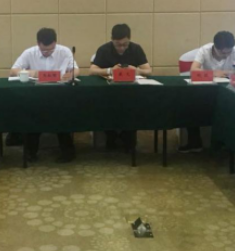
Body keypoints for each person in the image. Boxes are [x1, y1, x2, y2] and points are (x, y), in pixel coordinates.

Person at [9, 28, 77, 163]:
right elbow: (13, 71)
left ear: (55, 43)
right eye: (44, 50)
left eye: (51, 50)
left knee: (63, 116)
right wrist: (31, 73)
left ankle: (67, 152)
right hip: (36, 97)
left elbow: (75, 69)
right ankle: (30, 152)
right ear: (38, 43)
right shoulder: (29, 53)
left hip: (59, 96)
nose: (47, 53)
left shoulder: (64, 51)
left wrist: (71, 75)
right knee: (33, 116)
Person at [181, 31, 235, 153]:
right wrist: (214, 73)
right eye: (223, 53)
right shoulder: (205, 50)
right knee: (189, 106)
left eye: (228, 52)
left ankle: (223, 144)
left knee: (232, 108)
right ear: (215, 47)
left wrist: (228, 72)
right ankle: (195, 142)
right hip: (207, 89)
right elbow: (193, 70)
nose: (226, 55)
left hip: (227, 90)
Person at [90, 24, 152, 152]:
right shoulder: (104, 49)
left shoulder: (136, 48)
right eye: (118, 44)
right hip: (108, 92)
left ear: (129, 40)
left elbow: (148, 71)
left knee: (133, 109)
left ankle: (127, 136)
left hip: (131, 92)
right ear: (112, 40)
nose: (122, 48)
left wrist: (137, 70)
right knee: (103, 108)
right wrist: (109, 70)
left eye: (125, 44)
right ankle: (111, 136)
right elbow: (92, 70)